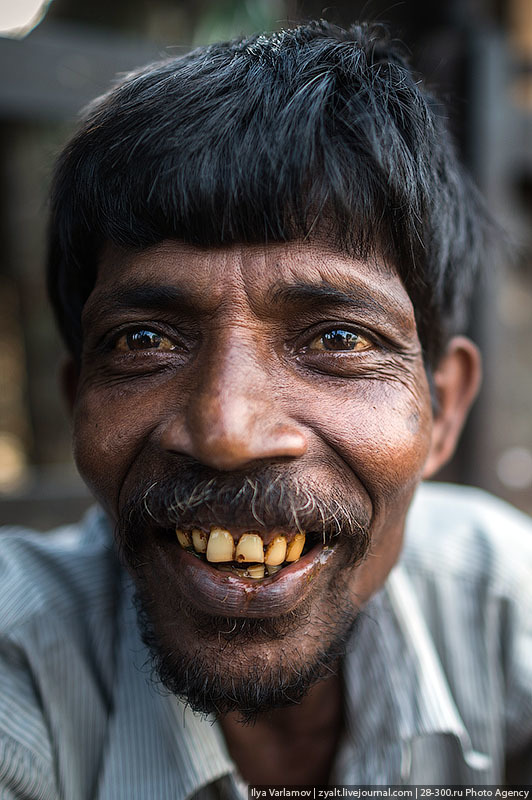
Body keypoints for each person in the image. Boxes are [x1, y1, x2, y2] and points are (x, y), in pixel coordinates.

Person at [1, 20, 531, 796]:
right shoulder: (20, 664)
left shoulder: (497, 600)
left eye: (340, 338)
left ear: (443, 409)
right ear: (79, 400)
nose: (227, 431)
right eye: (144, 339)